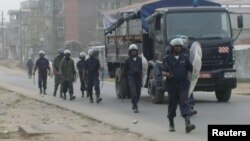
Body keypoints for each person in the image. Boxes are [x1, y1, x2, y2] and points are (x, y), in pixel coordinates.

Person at [162, 38, 195, 133]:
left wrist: (196, 72)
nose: (177, 48)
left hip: (183, 84)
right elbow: (163, 71)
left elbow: (192, 69)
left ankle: (188, 124)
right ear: (172, 47)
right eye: (176, 46)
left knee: (185, 103)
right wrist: (168, 74)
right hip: (172, 85)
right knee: (172, 106)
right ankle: (171, 123)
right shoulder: (167, 59)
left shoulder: (185, 58)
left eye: (179, 46)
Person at [180, 35, 197, 116]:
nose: (184, 44)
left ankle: (190, 107)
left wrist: (193, 71)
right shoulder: (176, 53)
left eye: (185, 43)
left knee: (190, 91)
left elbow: (192, 62)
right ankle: (185, 109)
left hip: (187, 75)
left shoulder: (189, 52)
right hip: (179, 76)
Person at [122, 44, 142, 113]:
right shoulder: (127, 60)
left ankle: (135, 103)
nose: (133, 52)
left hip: (138, 78)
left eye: (135, 51)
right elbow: (124, 70)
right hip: (131, 78)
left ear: (137, 51)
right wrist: (122, 78)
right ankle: (135, 106)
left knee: (138, 93)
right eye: (132, 51)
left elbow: (144, 69)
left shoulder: (140, 60)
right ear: (130, 52)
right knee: (133, 93)